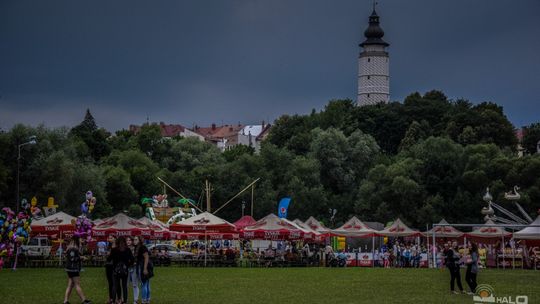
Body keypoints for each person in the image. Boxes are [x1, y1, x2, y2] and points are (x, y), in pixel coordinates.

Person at [63, 236, 91, 304]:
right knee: (77, 284)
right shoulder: (73, 248)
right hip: (73, 269)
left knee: (70, 285)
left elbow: (71, 256)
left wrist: (80, 257)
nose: (81, 240)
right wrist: (81, 258)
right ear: (76, 240)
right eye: (80, 239)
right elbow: (73, 258)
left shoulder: (70, 247)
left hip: (69, 268)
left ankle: (65, 301)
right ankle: (83, 300)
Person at [111, 236, 134, 304]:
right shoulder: (128, 250)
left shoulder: (114, 250)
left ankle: (113, 301)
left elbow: (109, 259)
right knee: (124, 286)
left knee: (115, 286)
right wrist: (127, 265)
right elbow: (132, 260)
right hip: (124, 270)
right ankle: (125, 301)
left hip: (115, 270)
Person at [136, 236, 152, 304]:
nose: (134, 241)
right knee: (147, 284)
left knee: (144, 284)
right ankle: (147, 299)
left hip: (143, 266)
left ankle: (144, 300)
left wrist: (145, 269)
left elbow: (146, 257)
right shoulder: (142, 247)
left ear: (139, 240)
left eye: (136, 239)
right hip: (145, 266)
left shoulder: (142, 247)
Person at [127, 237, 140, 304]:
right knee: (126, 284)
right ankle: (125, 299)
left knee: (135, 284)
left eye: (129, 240)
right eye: (127, 240)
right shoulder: (124, 249)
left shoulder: (135, 248)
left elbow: (137, 258)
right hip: (126, 268)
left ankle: (136, 299)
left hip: (134, 267)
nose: (128, 241)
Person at [105, 234, 117, 304]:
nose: (109, 239)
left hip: (114, 266)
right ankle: (110, 298)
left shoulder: (117, 247)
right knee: (110, 283)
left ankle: (115, 298)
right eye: (109, 238)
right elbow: (107, 256)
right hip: (108, 265)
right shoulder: (108, 246)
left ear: (115, 239)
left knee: (114, 283)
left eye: (111, 238)